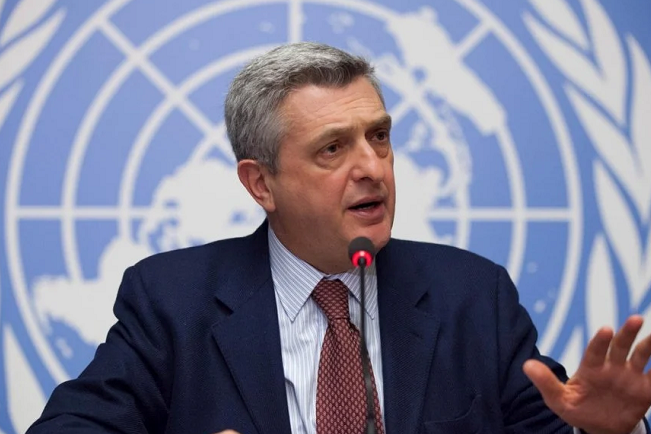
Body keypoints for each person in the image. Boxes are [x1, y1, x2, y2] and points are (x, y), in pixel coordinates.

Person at [28, 42, 651, 434]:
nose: (373, 167)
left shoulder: (471, 295)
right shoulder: (172, 300)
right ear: (261, 184)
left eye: (379, 137)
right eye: (333, 148)